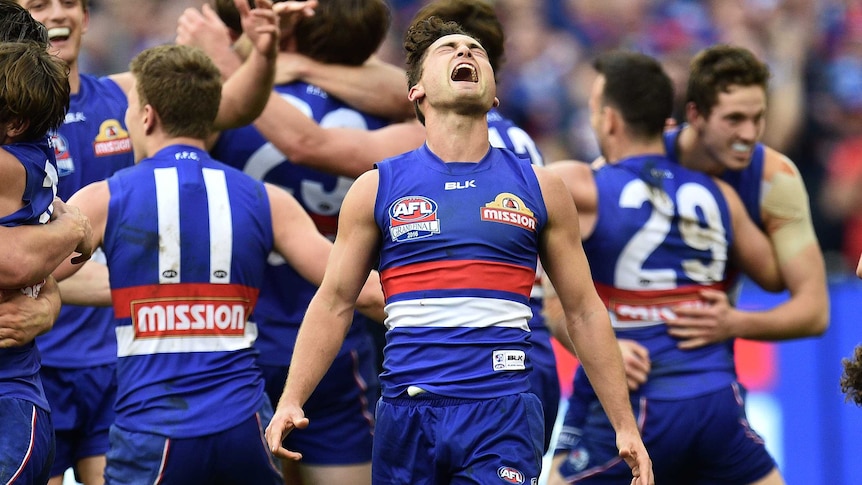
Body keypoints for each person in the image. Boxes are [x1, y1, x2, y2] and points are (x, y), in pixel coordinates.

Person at [265, 17, 653, 485]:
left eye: (476, 50)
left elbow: (584, 310)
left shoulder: (541, 187)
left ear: (493, 96)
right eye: (448, 49)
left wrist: (624, 424)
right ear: (416, 92)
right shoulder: (376, 188)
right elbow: (334, 301)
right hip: (406, 415)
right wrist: (292, 398)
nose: (465, 52)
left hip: (503, 412)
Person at [52, 42, 385, 485]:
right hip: (245, 426)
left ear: (147, 116)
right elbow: (364, 291)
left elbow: (32, 272)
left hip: (153, 427)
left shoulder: (103, 198)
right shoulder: (267, 199)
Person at [13, 0, 288, 483]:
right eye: (39, 4)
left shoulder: (123, 93)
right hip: (39, 362)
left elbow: (230, 106)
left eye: (70, 3)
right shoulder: (11, 123)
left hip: (122, 366)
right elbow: (21, 261)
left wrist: (263, 53)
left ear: (87, 17)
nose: (57, 14)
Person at [546, 50, 785, 484]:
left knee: (560, 473)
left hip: (638, 395)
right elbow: (776, 273)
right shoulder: (720, 195)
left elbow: (501, 201)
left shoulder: (582, 186)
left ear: (611, 120)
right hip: (717, 401)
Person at [180, 2, 393, 484]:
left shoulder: (231, 96)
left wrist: (241, 53)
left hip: (232, 338)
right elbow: (406, 87)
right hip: (336, 341)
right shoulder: (383, 105)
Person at [0, 34, 94, 483]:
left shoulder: (7, 164)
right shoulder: (34, 155)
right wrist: (73, 223)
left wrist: (74, 225)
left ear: (15, 123)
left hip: (9, 399)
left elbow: (15, 263)